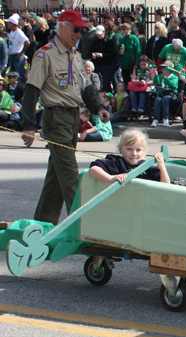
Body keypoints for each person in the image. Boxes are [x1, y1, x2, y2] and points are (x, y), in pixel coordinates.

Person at [20, 10, 110, 226]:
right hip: (56, 118)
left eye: (82, 30)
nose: (79, 34)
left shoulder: (76, 55)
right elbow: (31, 90)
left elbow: (86, 87)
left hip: (72, 119)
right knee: (70, 175)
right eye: (76, 29)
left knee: (56, 177)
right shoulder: (45, 54)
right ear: (61, 26)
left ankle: (41, 225)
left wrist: (98, 107)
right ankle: (85, 226)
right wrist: (29, 125)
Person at [89, 129, 170, 184]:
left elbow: (166, 185)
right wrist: (110, 178)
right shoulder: (117, 162)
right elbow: (93, 169)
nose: (134, 153)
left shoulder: (146, 166)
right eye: (129, 149)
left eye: (138, 150)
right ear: (121, 149)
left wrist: (162, 166)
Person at [150, 60, 178, 128]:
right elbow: (157, 83)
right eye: (162, 68)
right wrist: (156, 76)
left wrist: (166, 79)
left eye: (165, 67)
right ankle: (156, 119)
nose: (163, 69)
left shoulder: (174, 77)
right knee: (158, 99)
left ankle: (165, 118)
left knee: (165, 99)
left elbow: (173, 86)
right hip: (162, 94)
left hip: (171, 95)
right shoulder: (160, 76)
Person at [91, 25, 116, 92]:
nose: (99, 35)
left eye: (100, 34)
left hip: (106, 65)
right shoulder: (95, 42)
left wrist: (102, 55)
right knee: (97, 82)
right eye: (97, 34)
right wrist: (93, 55)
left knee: (106, 83)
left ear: (104, 32)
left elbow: (112, 54)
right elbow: (91, 50)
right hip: (97, 64)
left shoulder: (109, 42)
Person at [5, 15, 30, 84]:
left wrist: (21, 52)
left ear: (12, 23)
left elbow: (27, 42)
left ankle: (22, 91)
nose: (7, 24)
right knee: (12, 76)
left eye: (8, 22)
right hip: (13, 57)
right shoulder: (12, 32)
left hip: (18, 58)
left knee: (20, 76)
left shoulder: (19, 32)